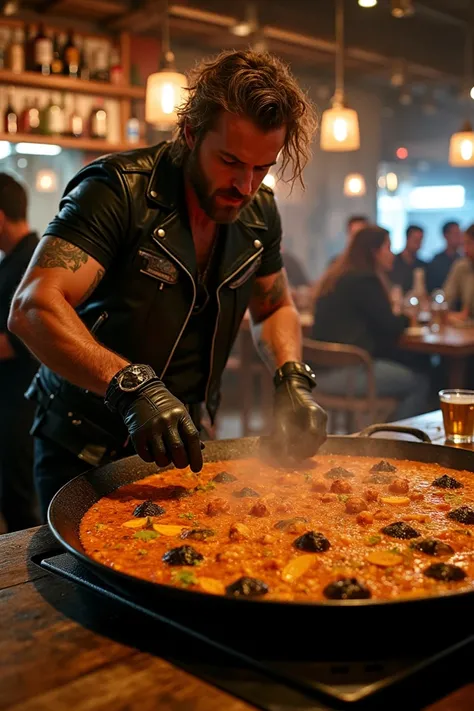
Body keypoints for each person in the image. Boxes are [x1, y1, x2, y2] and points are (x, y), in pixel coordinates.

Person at [9, 49, 327, 518]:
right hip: (86, 445)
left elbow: (273, 306)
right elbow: (33, 307)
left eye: (262, 168)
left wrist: (292, 377)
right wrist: (133, 387)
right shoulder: (117, 190)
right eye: (230, 161)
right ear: (190, 133)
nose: (245, 185)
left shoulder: (258, 213)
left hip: (183, 440)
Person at [311, 225, 430, 421]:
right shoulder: (365, 281)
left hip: (320, 372)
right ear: (374, 252)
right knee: (420, 380)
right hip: (347, 374)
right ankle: (398, 443)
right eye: (388, 247)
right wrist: (409, 318)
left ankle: (384, 432)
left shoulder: (337, 276)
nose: (392, 254)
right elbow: (390, 325)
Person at [0, 174, 40, 531]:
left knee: (20, 501)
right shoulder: (15, 257)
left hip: (22, 401)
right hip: (12, 400)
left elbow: (13, 342)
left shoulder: (30, 260)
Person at [443, 223, 474, 321]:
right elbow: (447, 298)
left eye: (468, 243)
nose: (465, 249)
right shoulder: (462, 266)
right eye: (464, 244)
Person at [390, 224, 426, 294]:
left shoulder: (422, 265)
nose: (418, 244)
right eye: (415, 240)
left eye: (420, 241)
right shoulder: (393, 262)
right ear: (407, 238)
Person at [427, 221, 462, 293]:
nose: (459, 237)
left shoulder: (463, 260)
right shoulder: (436, 261)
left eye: (460, 234)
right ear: (446, 235)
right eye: (456, 234)